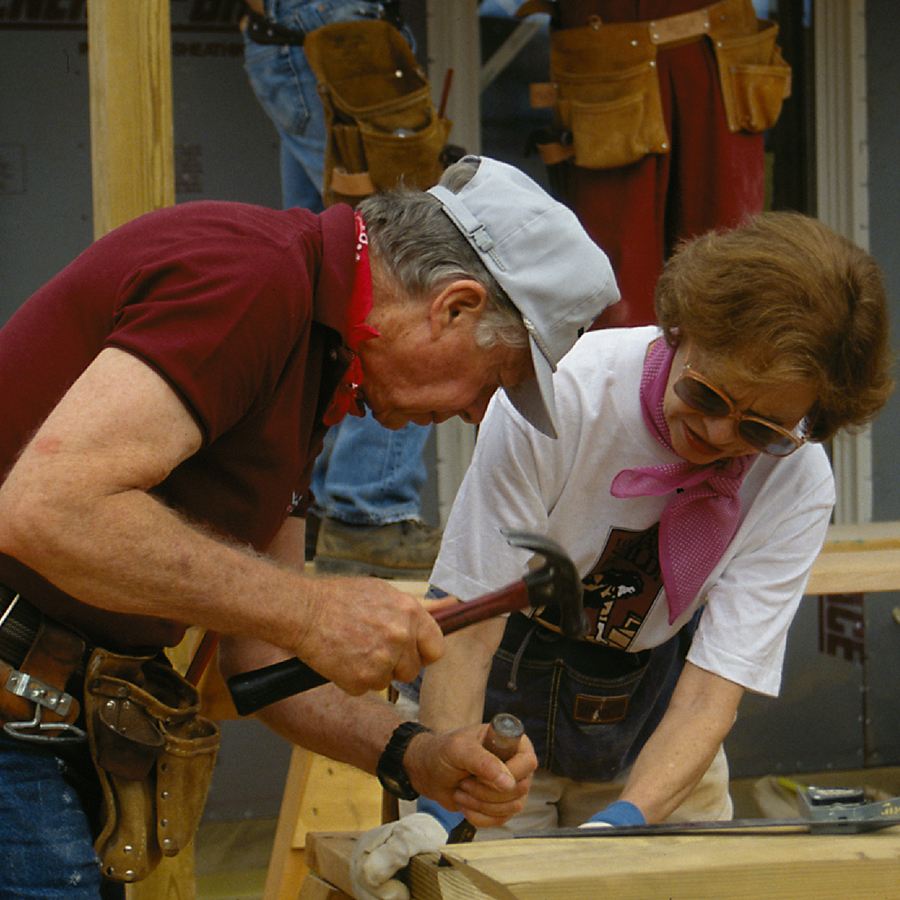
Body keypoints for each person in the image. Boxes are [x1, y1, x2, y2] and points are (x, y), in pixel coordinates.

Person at [0, 155, 619, 896]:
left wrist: (417, 755)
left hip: (49, 717)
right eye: (496, 379)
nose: (477, 410)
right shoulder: (253, 278)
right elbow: (49, 508)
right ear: (453, 306)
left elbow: (260, 664)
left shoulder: (318, 361)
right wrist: (313, 608)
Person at [349, 211, 893, 899]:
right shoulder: (563, 395)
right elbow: (468, 631)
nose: (720, 434)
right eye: (705, 395)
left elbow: (709, 694)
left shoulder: (797, 476)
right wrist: (439, 805)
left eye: (761, 428)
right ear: (681, 330)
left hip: (650, 707)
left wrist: (620, 831)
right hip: (496, 704)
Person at [242, 0, 441, 576]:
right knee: (393, 258)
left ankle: (320, 509)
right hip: (335, 24)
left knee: (322, 262)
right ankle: (367, 511)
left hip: (309, 28)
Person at [527, 0, 790, 327]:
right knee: (614, 295)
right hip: (606, 61)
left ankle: (722, 378)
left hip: (720, 52)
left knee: (729, 283)